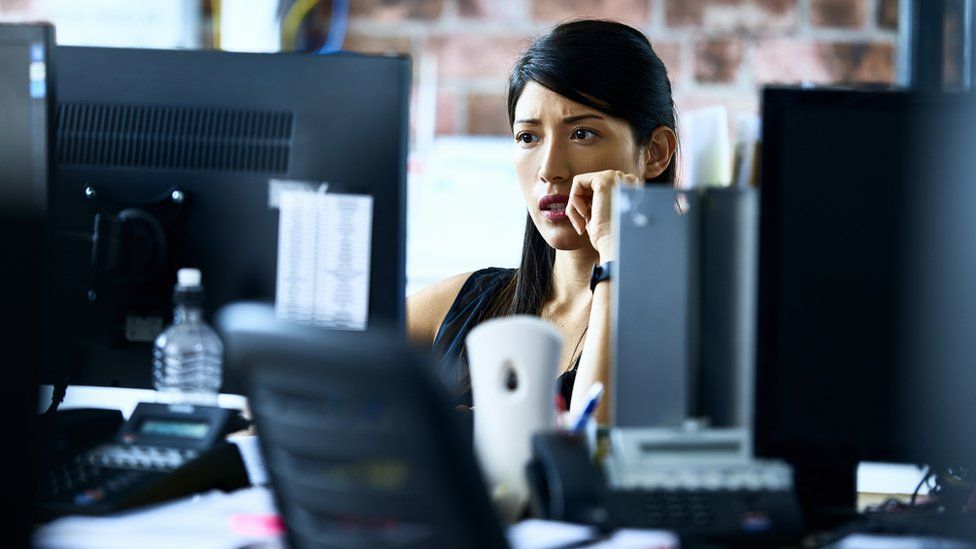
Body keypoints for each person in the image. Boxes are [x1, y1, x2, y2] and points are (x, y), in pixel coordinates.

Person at [407, 19, 678, 423]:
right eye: (528, 137)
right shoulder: (469, 302)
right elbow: (316, 375)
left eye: (582, 133)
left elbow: (596, 447)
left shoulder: (684, 324)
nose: (549, 170)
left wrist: (618, 256)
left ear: (654, 153)